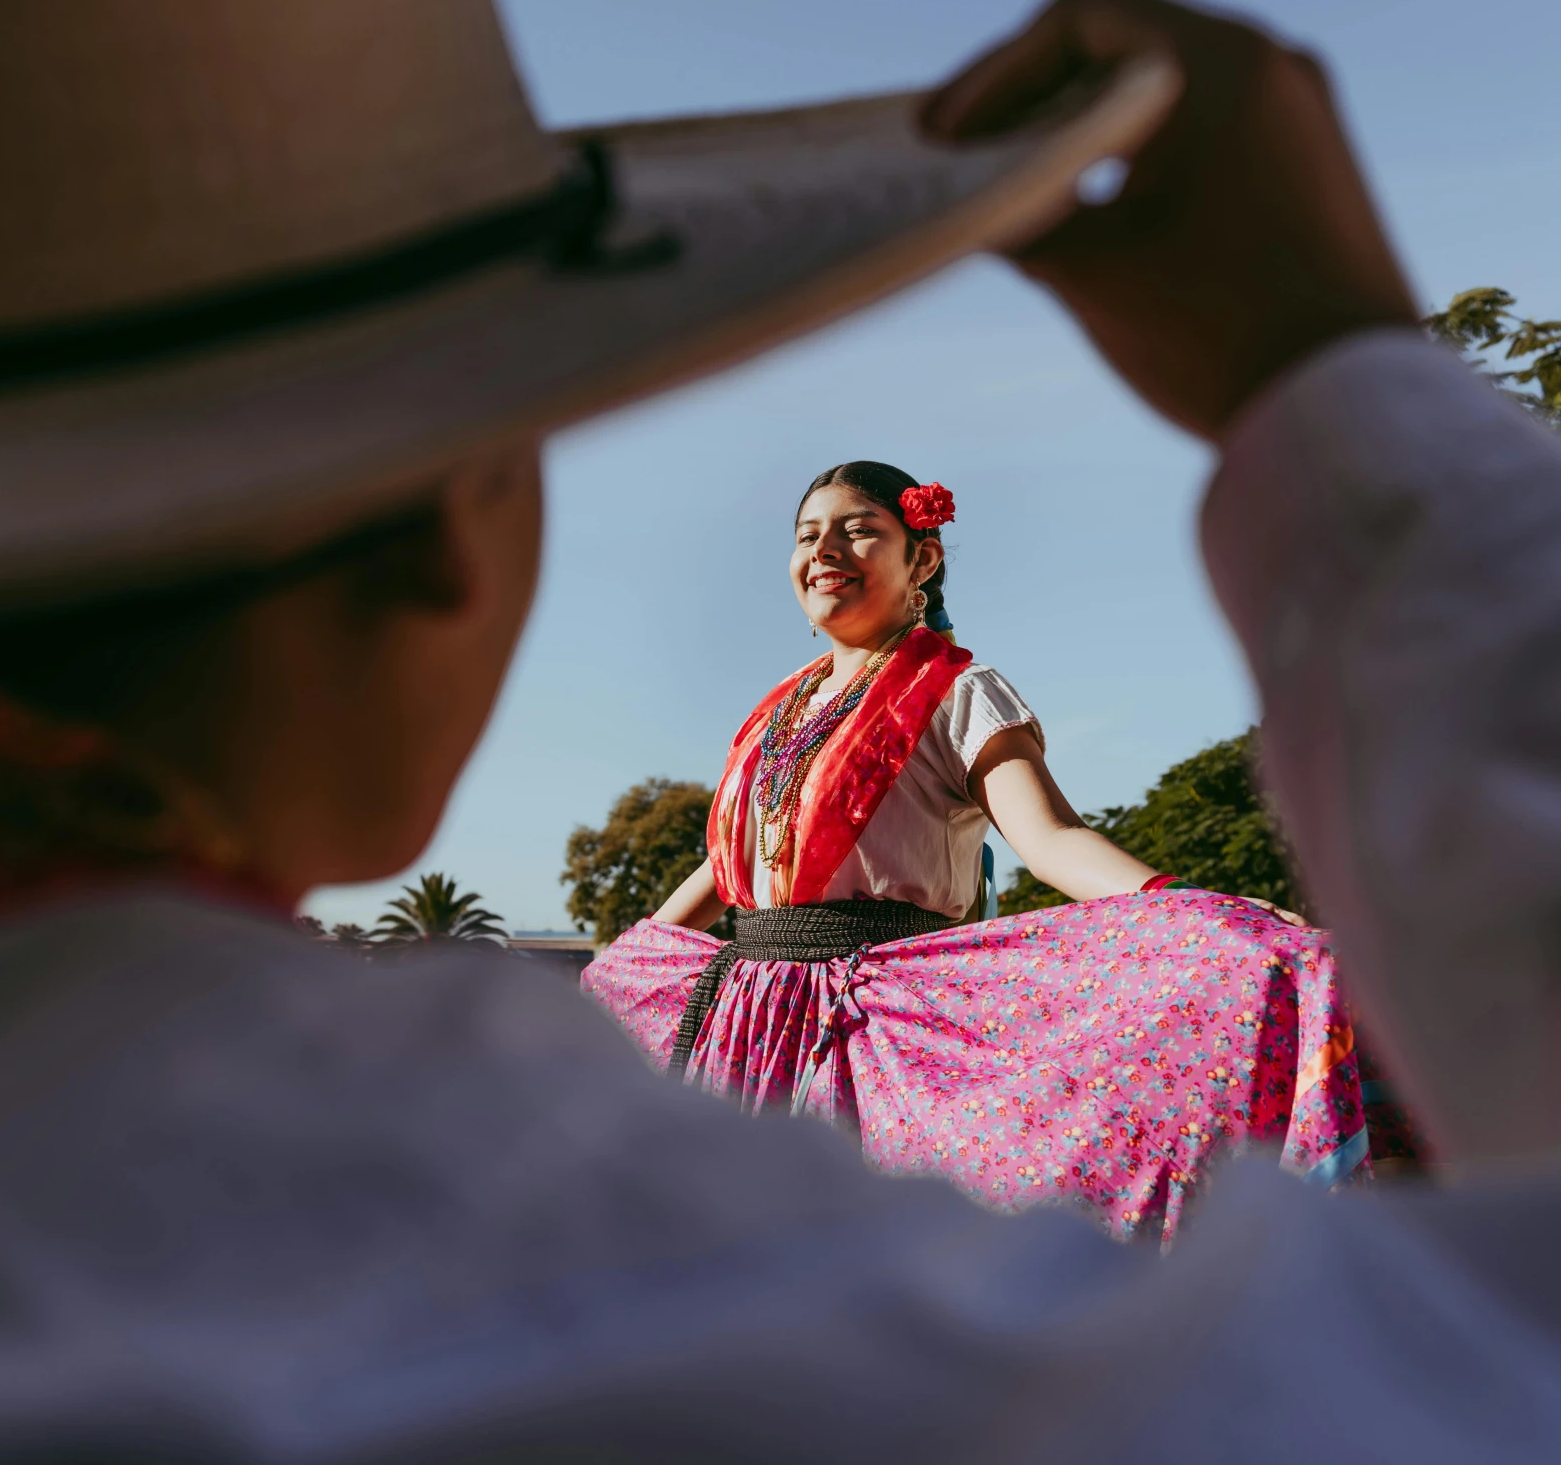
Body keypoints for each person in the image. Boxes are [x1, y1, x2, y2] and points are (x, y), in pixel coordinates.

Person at [0, 0, 1561, 1459]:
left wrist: (1154, 897)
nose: (815, 552)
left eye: (842, 527)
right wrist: (1331, 382)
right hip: (749, 998)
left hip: (873, 987)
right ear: (456, 497)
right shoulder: (544, 1262)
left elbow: (1037, 828)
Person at [581, 458, 1369, 1240]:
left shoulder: (959, 690)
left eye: (858, 532)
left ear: (921, 557)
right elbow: (735, 862)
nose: (824, 551)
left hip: (864, 1019)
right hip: (740, 1019)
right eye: (806, 535)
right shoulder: (779, 705)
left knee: (854, 1262)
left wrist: (1182, 906)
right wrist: (640, 955)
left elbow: (1051, 836)